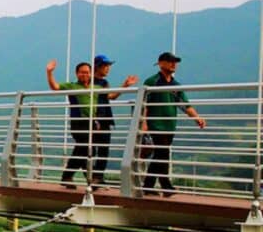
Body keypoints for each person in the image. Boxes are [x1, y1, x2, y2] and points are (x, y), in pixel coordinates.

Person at [141, 52, 206, 195]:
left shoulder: (175, 85)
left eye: (175, 62)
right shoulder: (152, 82)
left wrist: (197, 118)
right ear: (161, 63)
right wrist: (144, 123)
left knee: (160, 155)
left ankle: (148, 186)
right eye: (170, 61)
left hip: (169, 125)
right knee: (162, 153)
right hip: (156, 124)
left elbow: (185, 105)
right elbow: (144, 104)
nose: (173, 64)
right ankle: (166, 186)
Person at [46, 59, 98, 189]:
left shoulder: (95, 88)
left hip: (92, 122)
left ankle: (88, 179)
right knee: (84, 147)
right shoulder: (72, 86)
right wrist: (49, 72)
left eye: (87, 72)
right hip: (78, 122)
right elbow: (55, 87)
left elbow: (110, 96)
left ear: (91, 73)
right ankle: (70, 176)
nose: (84, 74)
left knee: (87, 150)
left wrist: (124, 86)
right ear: (77, 73)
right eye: (81, 72)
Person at [91, 55, 138, 187]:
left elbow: (111, 96)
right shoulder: (89, 82)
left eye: (109, 66)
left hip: (105, 118)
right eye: (105, 66)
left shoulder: (104, 82)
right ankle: (91, 176)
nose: (108, 68)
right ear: (97, 66)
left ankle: (98, 176)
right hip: (94, 118)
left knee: (104, 149)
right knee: (91, 149)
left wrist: (124, 86)